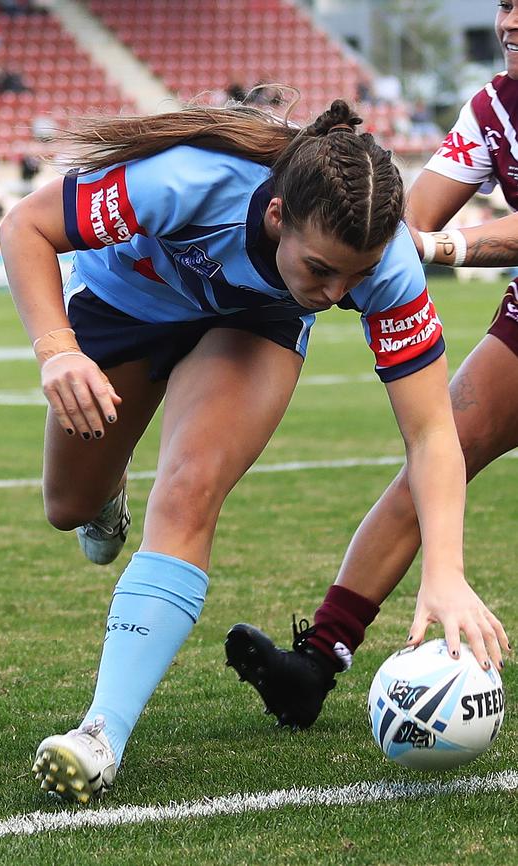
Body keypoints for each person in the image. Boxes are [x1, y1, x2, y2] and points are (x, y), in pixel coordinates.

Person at [0, 97, 500, 806]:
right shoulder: (187, 182)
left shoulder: (383, 265)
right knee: (68, 505)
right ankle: (104, 494)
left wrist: (446, 572)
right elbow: (26, 225)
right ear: (275, 219)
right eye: (322, 269)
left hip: (252, 326)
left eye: (354, 279)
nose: (335, 296)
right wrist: (56, 352)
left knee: (189, 491)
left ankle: (99, 736)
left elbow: (430, 433)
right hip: (126, 305)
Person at [226, 1, 518, 731]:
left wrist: (444, 250)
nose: (510, 22)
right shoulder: (492, 108)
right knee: (436, 451)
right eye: (505, 5)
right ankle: (314, 665)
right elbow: (401, 227)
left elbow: (430, 244)